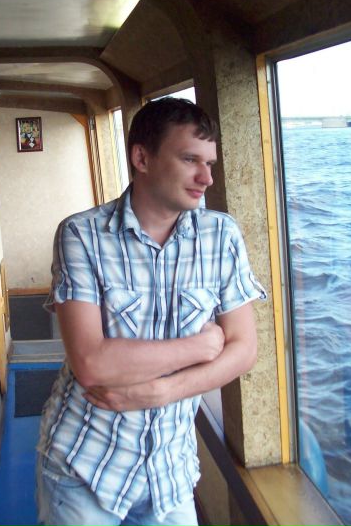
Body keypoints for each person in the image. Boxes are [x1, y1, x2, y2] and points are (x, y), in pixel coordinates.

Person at [36, 97, 266, 526]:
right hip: (86, 467)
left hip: (171, 473)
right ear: (141, 158)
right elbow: (91, 364)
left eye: (210, 163)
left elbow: (243, 350)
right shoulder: (81, 235)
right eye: (190, 160)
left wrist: (164, 392)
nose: (206, 178)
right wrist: (200, 346)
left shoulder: (222, 236)